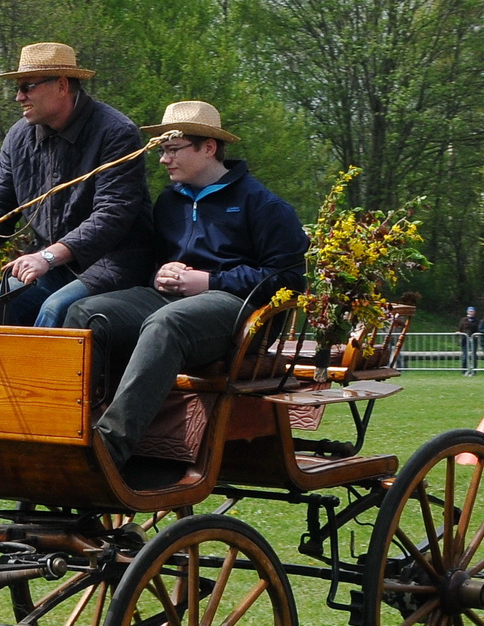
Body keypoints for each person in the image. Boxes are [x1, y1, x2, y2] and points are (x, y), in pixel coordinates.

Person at [62, 101, 306, 471]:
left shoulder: (262, 205)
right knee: (85, 312)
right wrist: (160, 274)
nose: (163, 160)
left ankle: (107, 449)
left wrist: (210, 280)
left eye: (172, 149)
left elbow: (286, 279)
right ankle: (68, 432)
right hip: (167, 298)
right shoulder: (169, 202)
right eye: (162, 150)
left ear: (208, 148)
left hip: (238, 309)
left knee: (167, 324)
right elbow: (152, 261)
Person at [0, 42, 151, 328]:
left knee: (54, 309)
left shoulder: (116, 132)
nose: (18, 97)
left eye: (28, 87)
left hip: (111, 264)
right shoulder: (18, 138)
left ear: (61, 85)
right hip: (51, 266)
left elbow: (112, 215)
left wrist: (48, 256)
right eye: (18, 88)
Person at [457, 306, 479, 376]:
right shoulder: (463, 320)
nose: (471, 313)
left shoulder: (477, 321)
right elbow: (459, 329)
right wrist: (458, 333)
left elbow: (478, 330)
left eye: (472, 311)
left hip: (473, 339)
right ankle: (464, 371)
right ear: (467, 312)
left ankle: (474, 371)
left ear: (474, 312)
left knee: (474, 356)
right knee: (464, 356)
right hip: (464, 339)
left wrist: (477, 335)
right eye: (470, 311)